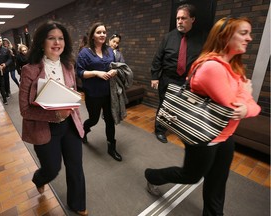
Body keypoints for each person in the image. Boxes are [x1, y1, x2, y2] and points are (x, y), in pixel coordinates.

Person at [144, 16, 261, 216]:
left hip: (225, 136)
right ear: (224, 36)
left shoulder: (235, 67)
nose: (249, 38)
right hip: (203, 134)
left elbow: (251, 108)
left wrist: (246, 102)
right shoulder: (211, 67)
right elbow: (233, 107)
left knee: (217, 182)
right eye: (243, 33)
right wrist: (246, 93)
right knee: (190, 176)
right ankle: (152, 176)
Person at [19, 21, 87, 216]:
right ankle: (40, 179)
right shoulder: (29, 70)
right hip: (44, 128)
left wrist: (75, 106)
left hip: (70, 125)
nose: (57, 42)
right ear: (42, 42)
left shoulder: (68, 65)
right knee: (52, 168)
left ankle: (77, 203)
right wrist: (55, 113)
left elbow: (71, 94)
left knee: (75, 166)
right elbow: (24, 110)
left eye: (60, 38)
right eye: (52, 38)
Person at [151, 4, 208, 143]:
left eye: (183, 18)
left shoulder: (201, 38)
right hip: (168, 79)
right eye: (178, 18)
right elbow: (157, 58)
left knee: (183, 106)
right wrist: (155, 77)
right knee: (165, 105)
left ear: (192, 19)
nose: (179, 21)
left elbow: (204, 60)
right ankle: (160, 130)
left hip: (188, 81)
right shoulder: (168, 37)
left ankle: (180, 128)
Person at [76, 22, 123, 162]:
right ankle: (84, 130)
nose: (102, 34)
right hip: (93, 93)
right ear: (92, 35)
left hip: (109, 93)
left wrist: (115, 70)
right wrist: (96, 73)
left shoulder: (109, 50)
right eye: (99, 32)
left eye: (104, 32)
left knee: (110, 120)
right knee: (94, 119)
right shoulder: (84, 52)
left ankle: (111, 147)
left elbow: (115, 66)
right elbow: (79, 72)